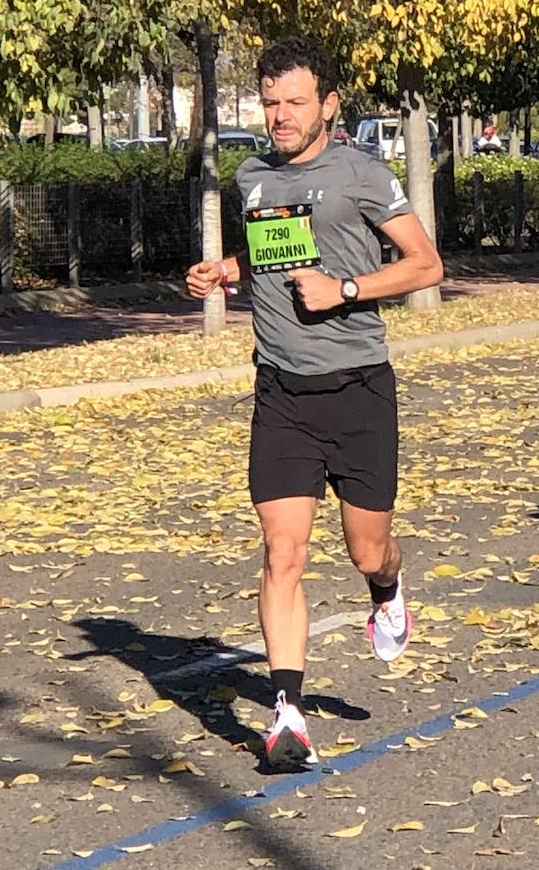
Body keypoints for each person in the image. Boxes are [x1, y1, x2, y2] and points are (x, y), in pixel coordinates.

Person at [185, 37, 444, 770]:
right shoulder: (252, 175)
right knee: (282, 551)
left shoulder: (361, 174)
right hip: (282, 394)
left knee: (367, 546)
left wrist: (347, 290)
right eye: (270, 102)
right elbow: (273, 251)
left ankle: (388, 588)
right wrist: (225, 269)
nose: (281, 116)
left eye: (296, 101)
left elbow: (426, 264)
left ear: (328, 104)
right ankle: (287, 713)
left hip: (359, 389)